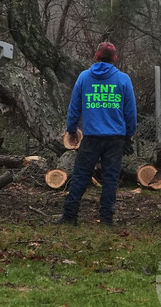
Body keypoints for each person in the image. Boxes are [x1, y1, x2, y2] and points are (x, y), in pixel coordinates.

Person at [57, 42, 137, 226]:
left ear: (96, 56)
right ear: (115, 58)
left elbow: (74, 107)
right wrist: (129, 134)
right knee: (110, 178)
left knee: (81, 175)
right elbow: (130, 112)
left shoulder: (84, 78)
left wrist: (71, 130)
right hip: (115, 138)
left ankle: (70, 216)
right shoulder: (123, 79)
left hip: (91, 136)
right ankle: (106, 219)